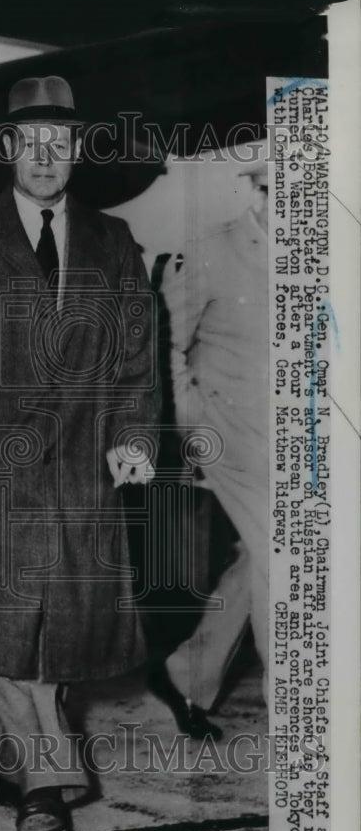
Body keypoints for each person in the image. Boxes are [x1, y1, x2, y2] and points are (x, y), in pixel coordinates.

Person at [0, 76, 160, 831]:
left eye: (57, 143)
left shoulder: (112, 240)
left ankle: (17, 759)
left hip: (80, 460)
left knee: (62, 626)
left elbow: (136, 356)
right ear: (6, 148)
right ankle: (48, 785)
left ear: (75, 151)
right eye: (28, 141)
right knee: (3, 621)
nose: (43, 156)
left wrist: (132, 438)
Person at [150, 162, 269, 740]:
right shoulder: (208, 251)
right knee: (291, 554)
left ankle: (185, 673)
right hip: (226, 434)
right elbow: (168, 349)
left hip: (293, 439)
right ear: (261, 189)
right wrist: (191, 427)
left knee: (262, 557)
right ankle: (299, 710)